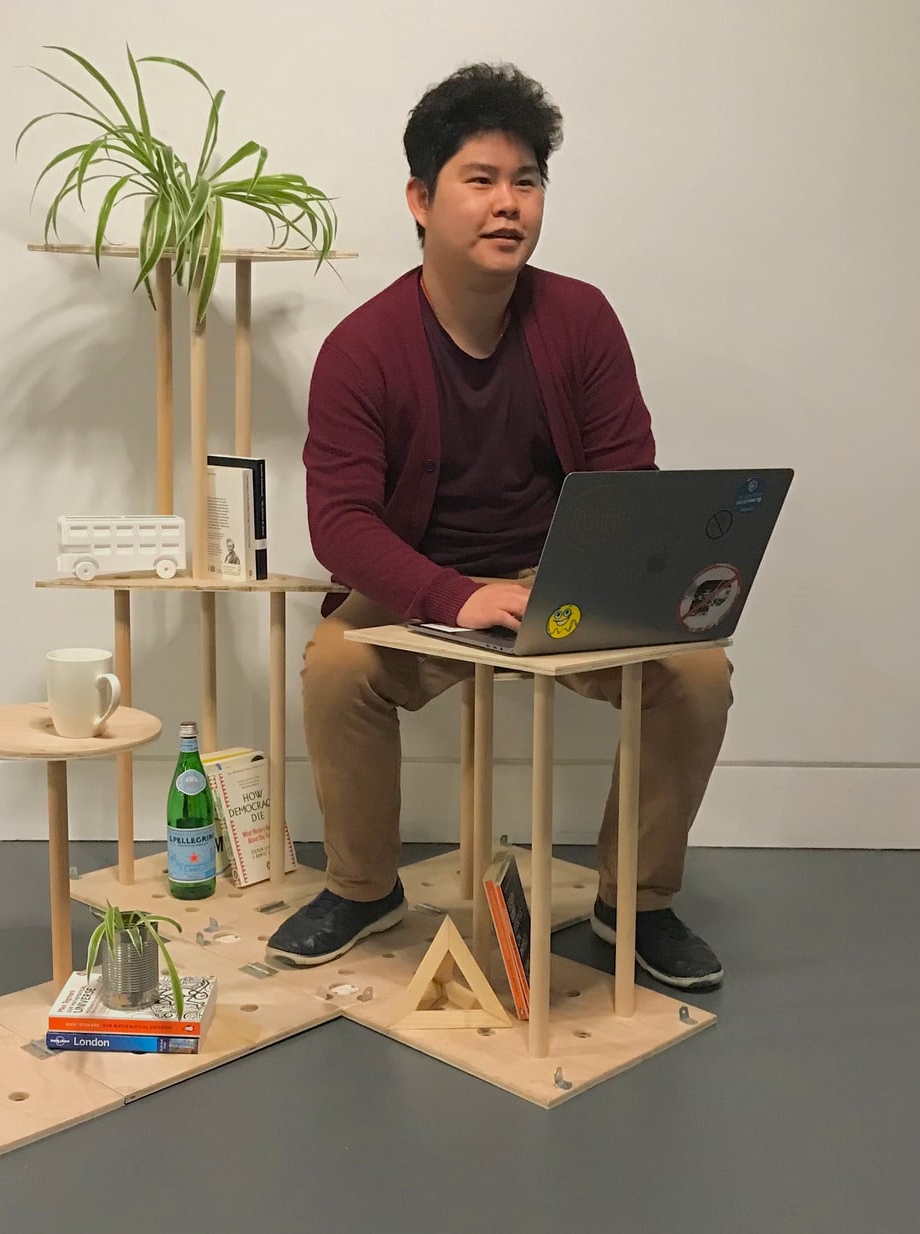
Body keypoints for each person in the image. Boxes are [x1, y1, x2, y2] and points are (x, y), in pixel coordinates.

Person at [265, 63, 733, 990]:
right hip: (420, 582)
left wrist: (568, 584)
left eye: (527, 182)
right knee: (336, 667)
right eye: (479, 180)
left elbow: (626, 482)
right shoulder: (362, 348)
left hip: (557, 579)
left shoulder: (582, 319)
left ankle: (636, 901)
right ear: (420, 197)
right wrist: (455, 594)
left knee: (695, 670)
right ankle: (363, 888)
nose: (507, 204)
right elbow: (340, 523)